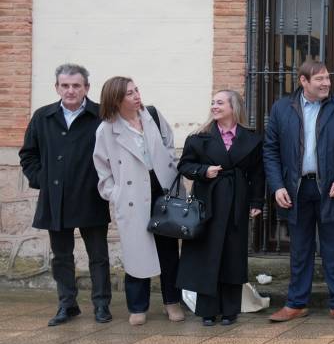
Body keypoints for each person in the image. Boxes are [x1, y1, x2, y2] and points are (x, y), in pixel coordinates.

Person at [263, 59, 334, 324]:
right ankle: (296, 303)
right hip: (295, 188)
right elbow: (270, 150)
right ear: (303, 81)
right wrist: (277, 186)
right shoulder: (282, 108)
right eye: (319, 79)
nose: (326, 83)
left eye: (327, 78)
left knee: (333, 248)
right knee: (300, 249)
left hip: (332, 188)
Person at [20, 63, 113, 326]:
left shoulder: (101, 116)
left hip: (90, 195)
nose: (70, 90)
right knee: (61, 256)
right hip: (55, 198)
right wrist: (42, 180)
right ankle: (67, 304)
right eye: (65, 85)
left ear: (86, 88)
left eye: (76, 85)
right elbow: (28, 154)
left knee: (99, 256)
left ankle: (101, 304)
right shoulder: (43, 116)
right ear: (57, 87)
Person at [91, 76, 184, 326]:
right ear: (116, 99)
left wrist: (171, 169)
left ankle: (172, 301)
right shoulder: (107, 129)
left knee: (168, 250)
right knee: (136, 251)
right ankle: (137, 306)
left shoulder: (151, 114)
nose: (136, 96)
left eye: (136, 90)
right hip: (132, 196)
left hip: (161, 189)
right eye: (130, 93)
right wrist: (115, 192)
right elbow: (102, 166)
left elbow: (168, 141)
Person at [176, 90, 265, 326]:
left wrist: (256, 202)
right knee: (207, 254)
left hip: (237, 202)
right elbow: (184, 166)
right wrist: (203, 172)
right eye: (213, 102)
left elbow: (257, 174)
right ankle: (207, 310)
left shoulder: (251, 138)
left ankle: (230, 310)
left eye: (220, 102)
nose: (214, 106)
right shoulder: (198, 137)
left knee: (233, 255)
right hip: (208, 202)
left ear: (233, 107)